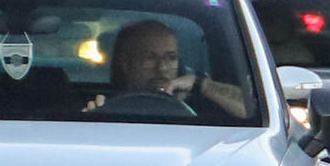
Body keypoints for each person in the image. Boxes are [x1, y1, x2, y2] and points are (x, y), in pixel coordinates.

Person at [89, 19, 248, 118]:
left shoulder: (202, 102)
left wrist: (201, 84)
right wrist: (92, 120)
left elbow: (252, 111)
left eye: (171, 57)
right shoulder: (102, 105)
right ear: (126, 62)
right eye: (150, 57)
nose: (162, 68)